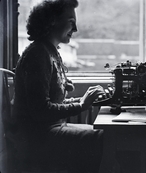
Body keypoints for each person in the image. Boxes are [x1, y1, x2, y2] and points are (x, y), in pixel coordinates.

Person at [13, 0, 105, 172]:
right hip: (37, 138)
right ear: (52, 20)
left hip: (47, 131)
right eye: (71, 22)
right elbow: (40, 110)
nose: (75, 29)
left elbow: (46, 105)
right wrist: (80, 104)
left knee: (105, 133)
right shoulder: (38, 54)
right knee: (105, 138)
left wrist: (83, 100)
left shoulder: (48, 51)